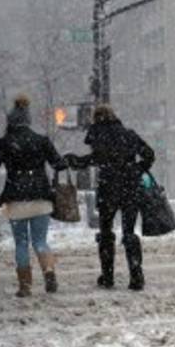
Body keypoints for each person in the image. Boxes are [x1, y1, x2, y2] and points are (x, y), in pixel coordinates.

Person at [0, 95, 66, 296]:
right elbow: (59, 164)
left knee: (21, 243)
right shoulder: (41, 141)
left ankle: (25, 286)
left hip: (16, 200)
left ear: (11, 121)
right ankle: (49, 272)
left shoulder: (4, 143)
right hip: (41, 199)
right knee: (40, 241)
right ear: (28, 120)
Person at [65, 105, 154, 291]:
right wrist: (137, 168)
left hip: (108, 189)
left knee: (106, 233)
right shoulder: (128, 134)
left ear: (96, 118)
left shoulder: (98, 135)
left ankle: (108, 276)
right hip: (130, 188)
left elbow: (95, 159)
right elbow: (149, 154)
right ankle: (136, 274)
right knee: (129, 232)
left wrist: (75, 160)